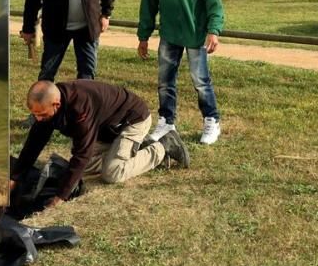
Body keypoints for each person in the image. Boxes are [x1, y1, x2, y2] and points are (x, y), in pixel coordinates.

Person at [10, 80, 190, 208]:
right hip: (107, 130)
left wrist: (60, 197)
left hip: (133, 121)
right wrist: (15, 177)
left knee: (112, 173)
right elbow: (34, 142)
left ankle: (163, 146)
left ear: (56, 105)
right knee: (85, 169)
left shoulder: (80, 107)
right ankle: (136, 148)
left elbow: (82, 152)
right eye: (34, 114)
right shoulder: (50, 106)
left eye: (41, 114)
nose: (37, 119)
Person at [137, 0, 225, 145]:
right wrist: (143, 36)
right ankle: (166, 121)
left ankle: (211, 120)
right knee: (165, 81)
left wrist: (213, 31)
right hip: (169, 34)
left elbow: (214, 3)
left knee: (200, 81)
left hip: (195, 35)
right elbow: (147, 5)